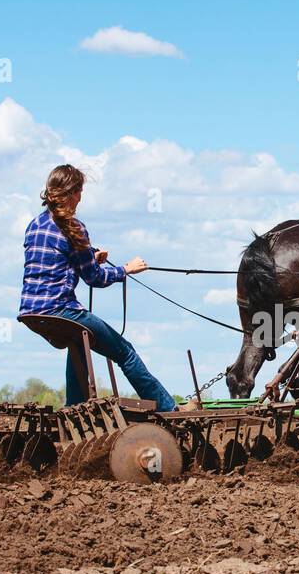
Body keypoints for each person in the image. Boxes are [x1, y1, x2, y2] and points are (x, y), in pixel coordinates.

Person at [18, 164, 179, 411]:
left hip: (31, 312)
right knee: (125, 352)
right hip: (62, 311)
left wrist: (90, 254)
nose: (80, 198)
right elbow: (94, 278)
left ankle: (74, 407)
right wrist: (126, 270)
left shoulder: (34, 225)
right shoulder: (75, 228)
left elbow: (56, 258)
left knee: (78, 344)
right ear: (73, 194)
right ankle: (169, 409)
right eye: (79, 192)